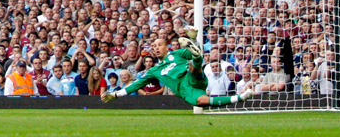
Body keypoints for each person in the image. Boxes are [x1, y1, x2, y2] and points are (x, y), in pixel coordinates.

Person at [101, 34, 253, 108]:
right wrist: (116, 94)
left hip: (192, 76)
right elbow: (135, 84)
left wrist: (193, 44)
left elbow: (196, 52)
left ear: (166, 46)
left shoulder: (177, 54)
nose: (156, 48)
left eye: (159, 45)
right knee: (201, 101)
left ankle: (194, 51)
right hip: (184, 89)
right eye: (154, 46)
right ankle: (239, 98)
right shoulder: (154, 70)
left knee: (194, 63)